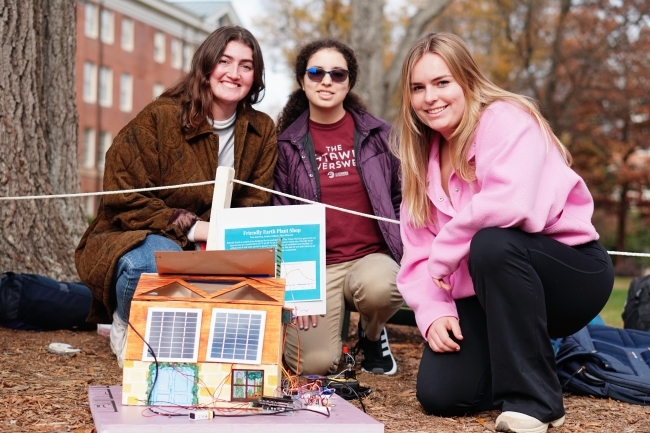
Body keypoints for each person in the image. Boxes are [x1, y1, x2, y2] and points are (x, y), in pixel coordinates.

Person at [390, 32, 614, 433]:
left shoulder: (506, 119)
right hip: (488, 291)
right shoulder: (420, 159)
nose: (430, 97)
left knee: (490, 243)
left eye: (442, 82)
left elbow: (512, 205)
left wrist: (446, 252)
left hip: (568, 271)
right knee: (442, 395)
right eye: (417, 88)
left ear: (467, 80)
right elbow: (416, 253)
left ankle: (537, 403)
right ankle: (523, 358)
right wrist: (433, 311)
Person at [75, 26, 277, 367]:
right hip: (141, 234)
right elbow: (123, 195)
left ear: (255, 76)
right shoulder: (160, 117)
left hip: (219, 244)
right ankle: (129, 320)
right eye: (224, 61)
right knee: (154, 264)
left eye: (246, 65)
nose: (234, 73)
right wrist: (195, 229)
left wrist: (227, 236)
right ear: (206, 65)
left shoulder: (261, 129)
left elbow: (255, 200)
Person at [273, 39, 403, 376]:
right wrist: (299, 288)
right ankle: (336, 335)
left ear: (349, 82)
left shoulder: (378, 135)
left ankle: (372, 333)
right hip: (318, 268)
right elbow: (281, 215)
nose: (326, 80)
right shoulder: (286, 145)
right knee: (313, 365)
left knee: (381, 289)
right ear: (302, 81)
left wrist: (406, 249)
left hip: (371, 258)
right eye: (316, 73)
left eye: (337, 74)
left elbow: (403, 198)